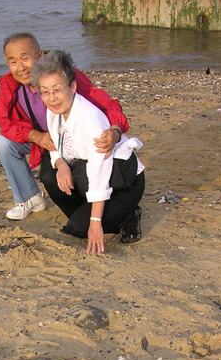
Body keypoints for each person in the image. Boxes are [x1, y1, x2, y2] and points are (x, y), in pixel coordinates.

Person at [0, 33, 129, 220]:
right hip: (42, 140)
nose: (21, 67)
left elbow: (108, 105)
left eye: (25, 58)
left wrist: (115, 131)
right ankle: (29, 198)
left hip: (70, 139)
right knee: (3, 144)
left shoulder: (64, 76)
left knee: (68, 176)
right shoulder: (10, 85)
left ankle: (98, 207)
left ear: (39, 55)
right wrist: (35, 136)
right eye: (13, 61)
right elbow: (2, 119)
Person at [31, 50, 145, 256]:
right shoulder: (52, 110)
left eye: (57, 90)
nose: (51, 98)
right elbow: (57, 145)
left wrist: (94, 222)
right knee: (49, 173)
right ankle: (94, 212)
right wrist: (61, 164)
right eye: (45, 92)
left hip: (123, 178)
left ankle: (128, 214)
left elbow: (99, 171)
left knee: (79, 226)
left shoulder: (90, 118)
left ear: (73, 86)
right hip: (84, 171)